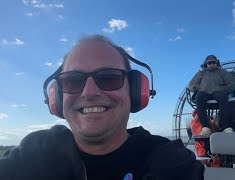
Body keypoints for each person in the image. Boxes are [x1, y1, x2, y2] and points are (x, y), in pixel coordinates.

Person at [0, 35, 204, 180]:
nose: (89, 92)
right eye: (72, 81)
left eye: (109, 78)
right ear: (59, 97)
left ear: (135, 91)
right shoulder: (35, 153)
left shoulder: (171, 163)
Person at [188, 55, 235, 135]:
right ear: (206, 64)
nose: (211, 64)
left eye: (213, 62)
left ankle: (226, 127)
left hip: (218, 91)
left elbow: (232, 84)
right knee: (199, 97)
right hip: (204, 91)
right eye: (209, 63)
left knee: (223, 97)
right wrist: (198, 88)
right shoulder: (201, 73)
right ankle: (205, 127)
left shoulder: (223, 73)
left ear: (217, 63)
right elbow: (191, 84)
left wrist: (223, 89)